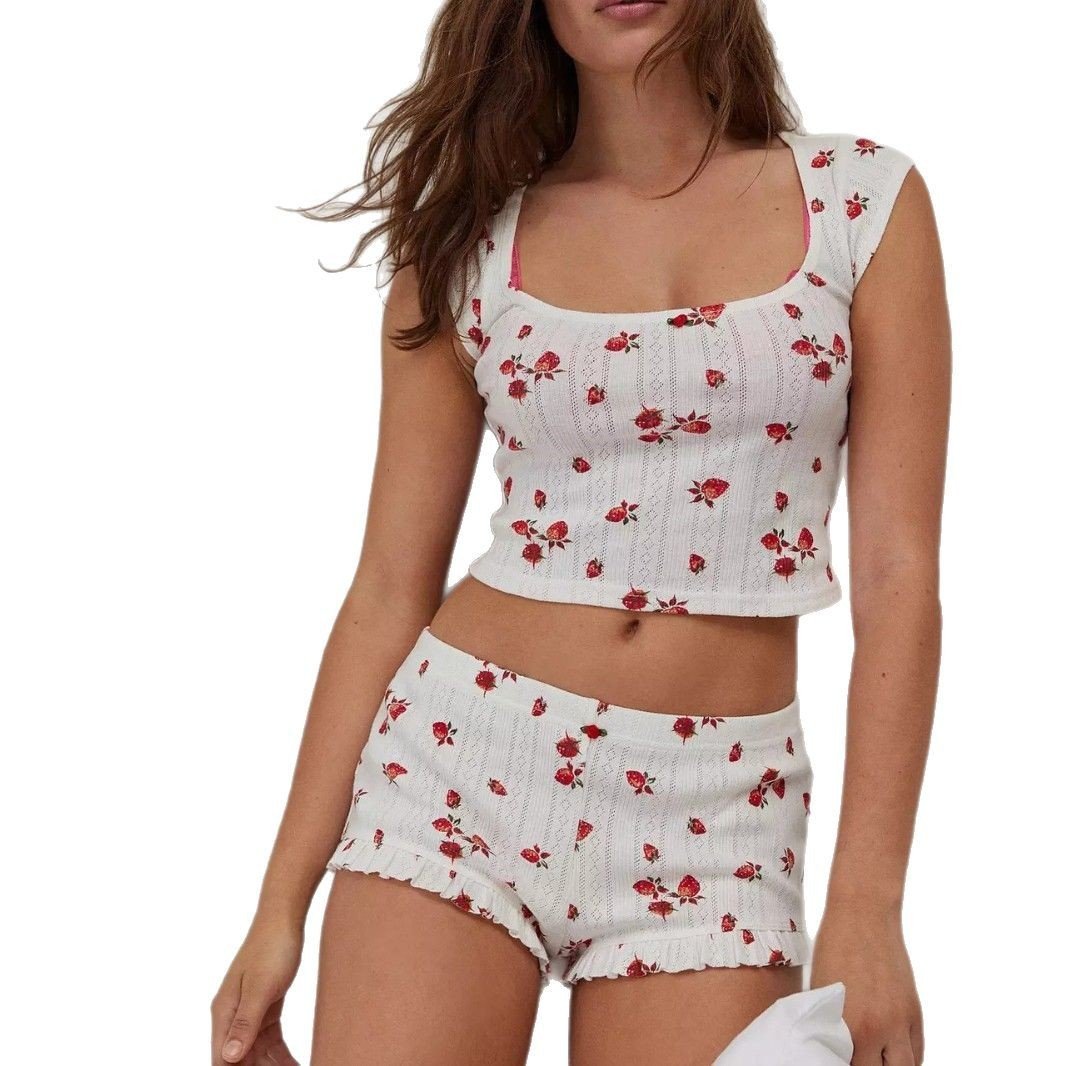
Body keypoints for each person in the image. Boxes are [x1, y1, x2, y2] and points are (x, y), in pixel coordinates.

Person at [211, 1, 949, 1063]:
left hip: (718, 816)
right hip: (460, 768)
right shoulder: (467, 235)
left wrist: (868, 904)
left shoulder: (859, 202)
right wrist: (279, 902)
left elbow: (897, 576)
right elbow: (387, 588)